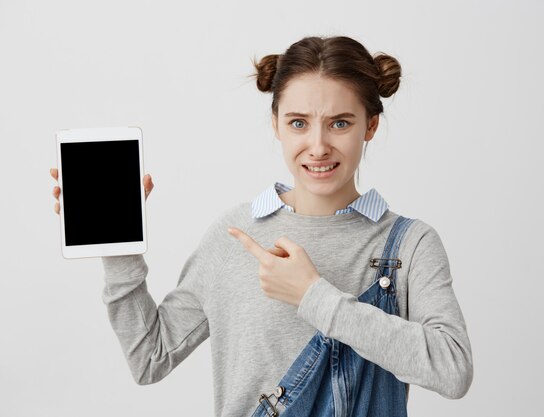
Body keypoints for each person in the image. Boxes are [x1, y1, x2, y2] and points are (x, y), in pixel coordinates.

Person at [50, 35, 473, 416]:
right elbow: (150, 358)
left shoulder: (410, 244)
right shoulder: (235, 234)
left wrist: (314, 296)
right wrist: (118, 248)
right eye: (298, 123)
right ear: (276, 125)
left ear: (371, 126)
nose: (319, 145)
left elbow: (453, 370)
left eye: (340, 123)